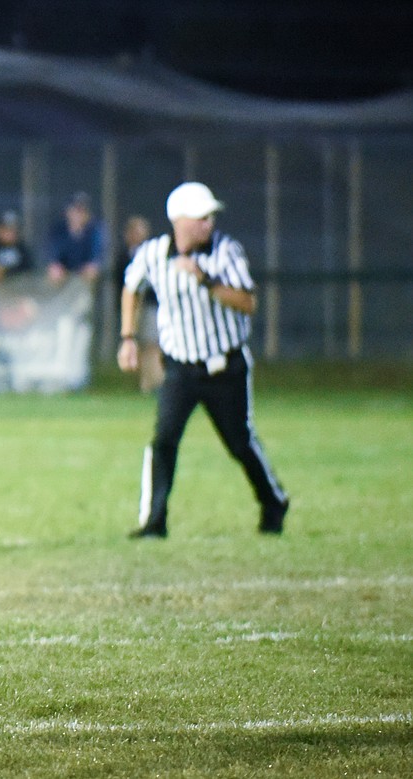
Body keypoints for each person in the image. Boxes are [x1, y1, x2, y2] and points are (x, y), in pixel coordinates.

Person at [117, 182, 289, 539]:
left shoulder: (226, 252)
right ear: (178, 220)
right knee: (164, 439)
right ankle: (154, 521)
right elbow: (131, 286)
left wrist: (205, 280)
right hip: (180, 367)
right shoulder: (153, 253)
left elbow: (247, 302)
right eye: (200, 217)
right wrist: (128, 338)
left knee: (239, 443)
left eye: (210, 217)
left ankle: (273, 501)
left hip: (225, 365)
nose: (208, 223)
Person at [115, 214, 162, 392]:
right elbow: (123, 285)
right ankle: (141, 382)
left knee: (152, 344)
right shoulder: (123, 255)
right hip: (133, 307)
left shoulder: (151, 254)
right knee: (137, 344)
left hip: (150, 305)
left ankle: (152, 383)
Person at [44, 191, 105, 285]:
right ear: (68, 212)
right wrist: (56, 266)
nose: (78, 214)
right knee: (54, 272)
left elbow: (97, 257)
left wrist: (90, 267)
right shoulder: (59, 230)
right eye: (75, 210)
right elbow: (54, 256)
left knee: (92, 272)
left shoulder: (95, 230)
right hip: (65, 275)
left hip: (85, 276)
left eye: (82, 211)